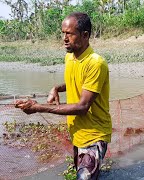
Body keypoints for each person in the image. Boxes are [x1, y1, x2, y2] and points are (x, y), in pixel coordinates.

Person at [15, 12, 111, 179]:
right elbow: (78, 81)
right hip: (76, 132)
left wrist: (38, 107)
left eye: (70, 33)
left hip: (94, 135)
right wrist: (57, 88)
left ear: (85, 35)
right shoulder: (70, 57)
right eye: (63, 33)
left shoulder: (96, 63)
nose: (64, 38)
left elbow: (82, 107)